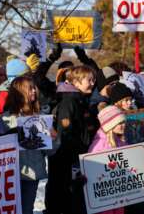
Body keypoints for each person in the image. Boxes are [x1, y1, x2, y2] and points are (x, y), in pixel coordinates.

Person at [0, 76, 58, 214]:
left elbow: (50, 152)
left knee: (27, 210)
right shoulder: (6, 119)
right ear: (19, 92)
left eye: (34, 88)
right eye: (29, 88)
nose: (34, 91)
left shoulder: (40, 117)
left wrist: (53, 138)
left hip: (33, 175)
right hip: (12, 175)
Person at [46, 65, 96, 214]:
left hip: (74, 159)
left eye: (93, 80)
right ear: (77, 82)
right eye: (89, 80)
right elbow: (65, 133)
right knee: (65, 200)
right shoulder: (69, 101)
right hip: (66, 161)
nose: (93, 83)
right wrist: (76, 158)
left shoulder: (80, 100)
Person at [87, 105, 127, 214]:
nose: (123, 125)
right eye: (119, 123)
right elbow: (91, 168)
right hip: (104, 197)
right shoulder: (99, 145)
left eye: (123, 122)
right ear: (110, 125)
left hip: (119, 193)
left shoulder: (120, 141)